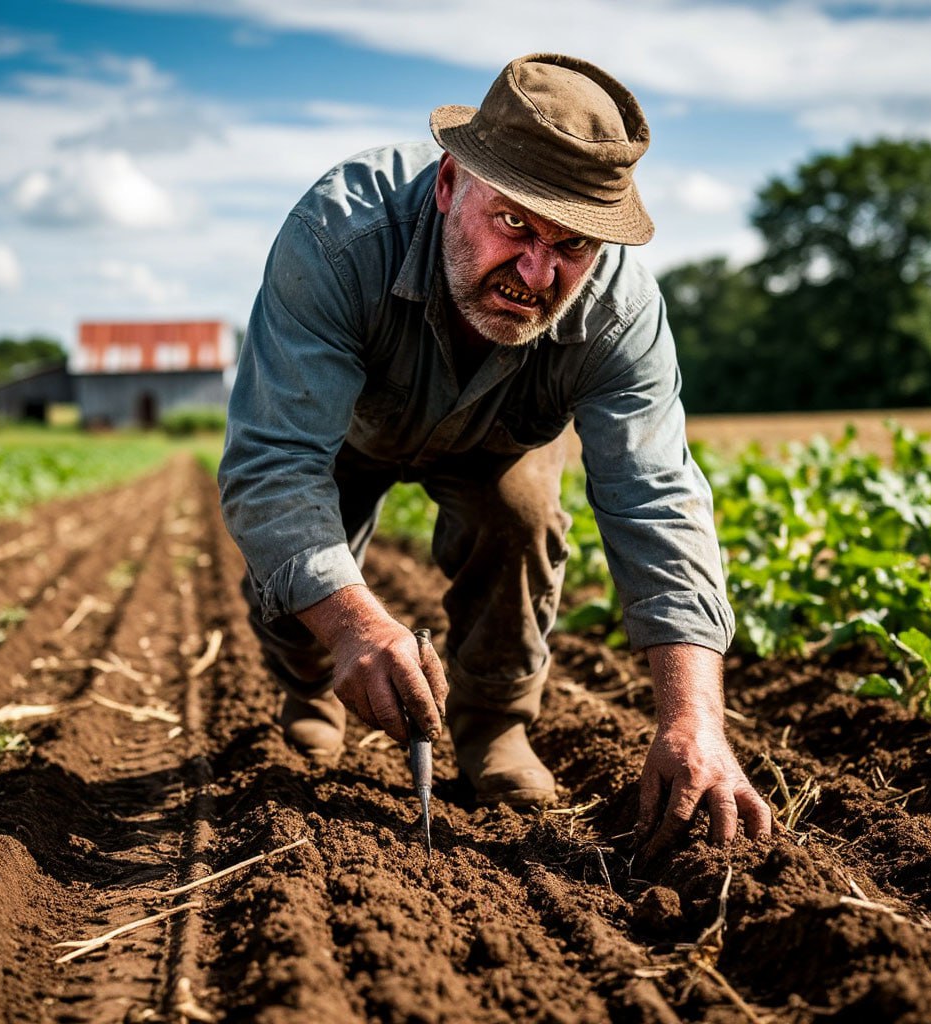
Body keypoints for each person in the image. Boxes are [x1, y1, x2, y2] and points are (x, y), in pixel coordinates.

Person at [219, 52, 772, 853]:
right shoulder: (338, 240)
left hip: (496, 439)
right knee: (308, 572)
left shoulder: (620, 314)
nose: (538, 272)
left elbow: (656, 499)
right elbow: (274, 464)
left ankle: (494, 730)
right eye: (514, 223)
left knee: (523, 515)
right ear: (450, 186)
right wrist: (351, 630)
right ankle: (308, 686)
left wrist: (693, 720)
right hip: (347, 430)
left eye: (573, 243)